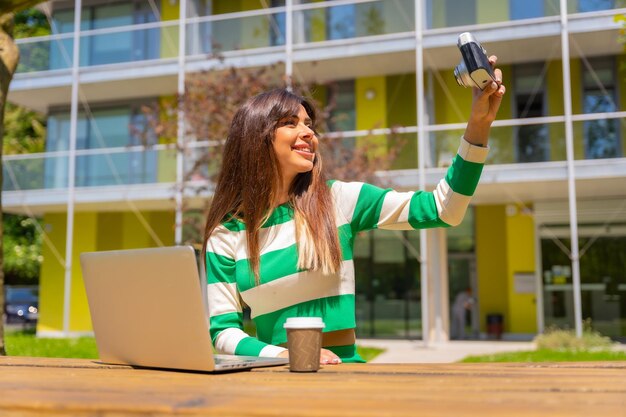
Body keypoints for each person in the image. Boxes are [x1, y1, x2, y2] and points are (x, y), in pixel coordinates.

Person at [203, 57, 505, 364]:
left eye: (309, 124)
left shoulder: (339, 200)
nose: (309, 133)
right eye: (291, 123)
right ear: (256, 138)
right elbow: (224, 333)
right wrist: (285, 354)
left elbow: (444, 209)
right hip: (276, 380)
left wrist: (479, 125)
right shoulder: (226, 234)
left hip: (345, 377)